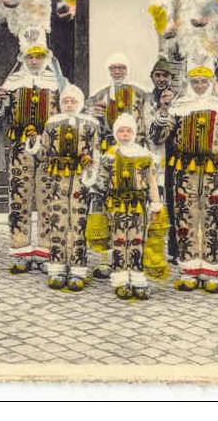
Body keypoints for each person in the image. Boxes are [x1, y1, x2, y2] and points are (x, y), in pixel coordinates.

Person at [150, 63, 218, 293]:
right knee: (186, 219)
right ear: (190, 84)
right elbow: (157, 136)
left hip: (213, 173)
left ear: (211, 83)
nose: (200, 86)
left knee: (211, 219)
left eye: (204, 82)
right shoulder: (179, 107)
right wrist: (163, 112)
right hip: (184, 172)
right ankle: (189, 269)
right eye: (196, 82)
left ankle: (210, 270)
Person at [0, 38, 61, 273]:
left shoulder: (57, 84)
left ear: (45, 58)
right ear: (23, 58)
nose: (34, 61)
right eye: (30, 57)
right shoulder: (14, 83)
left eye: (38, 57)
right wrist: (0, 100)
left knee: (47, 200)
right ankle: (19, 250)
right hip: (20, 148)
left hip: (48, 150)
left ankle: (45, 250)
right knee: (19, 199)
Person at [26, 84, 100, 291]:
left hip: (79, 177)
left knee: (77, 222)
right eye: (65, 101)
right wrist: (34, 141)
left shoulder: (91, 124)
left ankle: (77, 269)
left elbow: (95, 152)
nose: (69, 104)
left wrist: (91, 170)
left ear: (80, 103)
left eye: (73, 101)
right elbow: (44, 153)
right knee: (57, 220)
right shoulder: (52, 124)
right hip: (57, 178)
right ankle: (57, 267)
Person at [86, 52, 150, 279]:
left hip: (134, 160)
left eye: (121, 68)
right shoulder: (100, 96)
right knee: (106, 209)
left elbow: (148, 127)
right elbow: (91, 127)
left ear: (127, 70)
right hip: (109, 159)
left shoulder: (141, 95)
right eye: (113, 68)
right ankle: (107, 260)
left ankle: (134, 260)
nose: (117, 72)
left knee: (135, 212)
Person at [91, 113, 163, 300]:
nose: (125, 134)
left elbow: (152, 181)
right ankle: (122, 279)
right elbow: (102, 181)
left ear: (134, 132)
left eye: (128, 130)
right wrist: (98, 200)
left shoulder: (144, 155)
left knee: (137, 240)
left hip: (138, 205)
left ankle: (138, 278)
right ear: (116, 133)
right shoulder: (110, 155)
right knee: (119, 240)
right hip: (116, 205)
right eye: (121, 131)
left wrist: (155, 203)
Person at [148, 57, 177, 261]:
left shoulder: (177, 99)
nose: (161, 79)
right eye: (157, 75)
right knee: (152, 201)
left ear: (171, 78)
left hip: (171, 155)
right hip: (150, 153)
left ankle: (175, 250)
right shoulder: (146, 99)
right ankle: (151, 245)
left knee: (173, 203)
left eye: (165, 75)